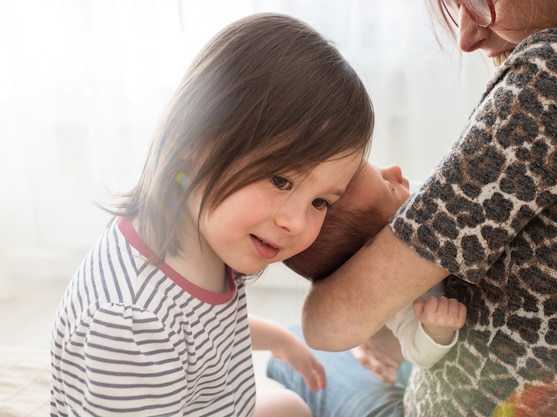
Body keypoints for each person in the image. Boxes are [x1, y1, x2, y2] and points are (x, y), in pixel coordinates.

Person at [282, 1, 557, 416]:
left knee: (294, 356)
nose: (465, 37)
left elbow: (327, 323)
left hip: (468, 403)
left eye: (480, 3)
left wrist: (374, 315)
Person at [50, 12, 375, 417]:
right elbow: (169, 328)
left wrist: (281, 340)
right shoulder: (128, 325)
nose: (296, 222)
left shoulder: (209, 239)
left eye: (320, 202)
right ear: (196, 138)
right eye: (280, 179)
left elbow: (203, 327)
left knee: (291, 407)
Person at [283, 162, 467, 371]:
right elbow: (418, 354)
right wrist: (436, 331)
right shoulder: (399, 295)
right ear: (377, 244)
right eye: (389, 187)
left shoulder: (419, 198)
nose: (396, 169)